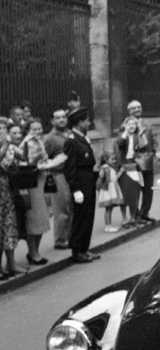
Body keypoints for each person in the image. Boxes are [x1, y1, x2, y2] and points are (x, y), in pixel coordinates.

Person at [63, 107, 100, 263]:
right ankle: (77, 250)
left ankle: (84, 248)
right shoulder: (71, 141)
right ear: (79, 123)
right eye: (86, 121)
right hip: (80, 184)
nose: (89, 123)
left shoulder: (83, 139)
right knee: (80, 218)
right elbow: (70, 169)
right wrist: (76, 189)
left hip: (88, 181)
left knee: (88, 217)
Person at [21, 118, 54, 265]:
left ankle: (35, 251)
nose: (37, 132)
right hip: (31, 183)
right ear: (28, 131)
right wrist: (36, 160)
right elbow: (23, 162)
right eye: (33, 129)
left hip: (42, 181)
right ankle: (33, 252)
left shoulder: (40, 142)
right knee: (34, 219)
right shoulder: (26, 144)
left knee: (43, 218)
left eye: (39, 129)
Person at [126, 99, 160, 223]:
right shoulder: (126, 125)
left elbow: (153, 138)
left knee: (148, 188)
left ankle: (144, 213)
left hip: (147, 161)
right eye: (134, 108)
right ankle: (135, 215)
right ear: (129, 111)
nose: (137, 110)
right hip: (133, 161)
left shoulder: (147, 124)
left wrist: (156, 150)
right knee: (135, 189)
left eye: (139, 107)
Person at [43, 109, 73, 249]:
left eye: (63, 117)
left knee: (72, 207)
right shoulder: (49, 138)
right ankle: (60, 240)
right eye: (57, 118)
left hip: (72, 174)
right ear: (52, 121)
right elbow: (44, 159)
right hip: (58, 174)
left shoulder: (70, 133)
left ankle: (71, 236)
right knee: (61, 208)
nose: (61, 120)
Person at [0, 117, 21, 279]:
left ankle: (10, 263)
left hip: (6, 189)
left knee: (8, 226)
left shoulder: (9, 147)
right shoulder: (5, 146)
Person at [115, 116, 144, 228]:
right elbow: (119, 143)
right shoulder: (122, 135)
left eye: (134, 124)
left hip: (135, 166)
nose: (132, 126)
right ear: (125, 125)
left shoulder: (137, 137)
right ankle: (124, 218)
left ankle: (132, 217)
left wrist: (141, 132)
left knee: (134, 194)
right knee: (124, 194)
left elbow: (143, 146)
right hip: (124, 167)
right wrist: (125, 132)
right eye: (129, 124)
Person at [96, 150, 127, 232]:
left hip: (112, 190)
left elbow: (115, 178)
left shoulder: (111, 168)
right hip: (108, 191)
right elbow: (100, 179)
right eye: (112, 159)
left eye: (115, 159)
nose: (114, 161)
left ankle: (109, 225)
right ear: (106, 160)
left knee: (110, 208)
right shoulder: (105, 168)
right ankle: (108, 226)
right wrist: (98, 189)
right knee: (108, 209)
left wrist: (120, 171)